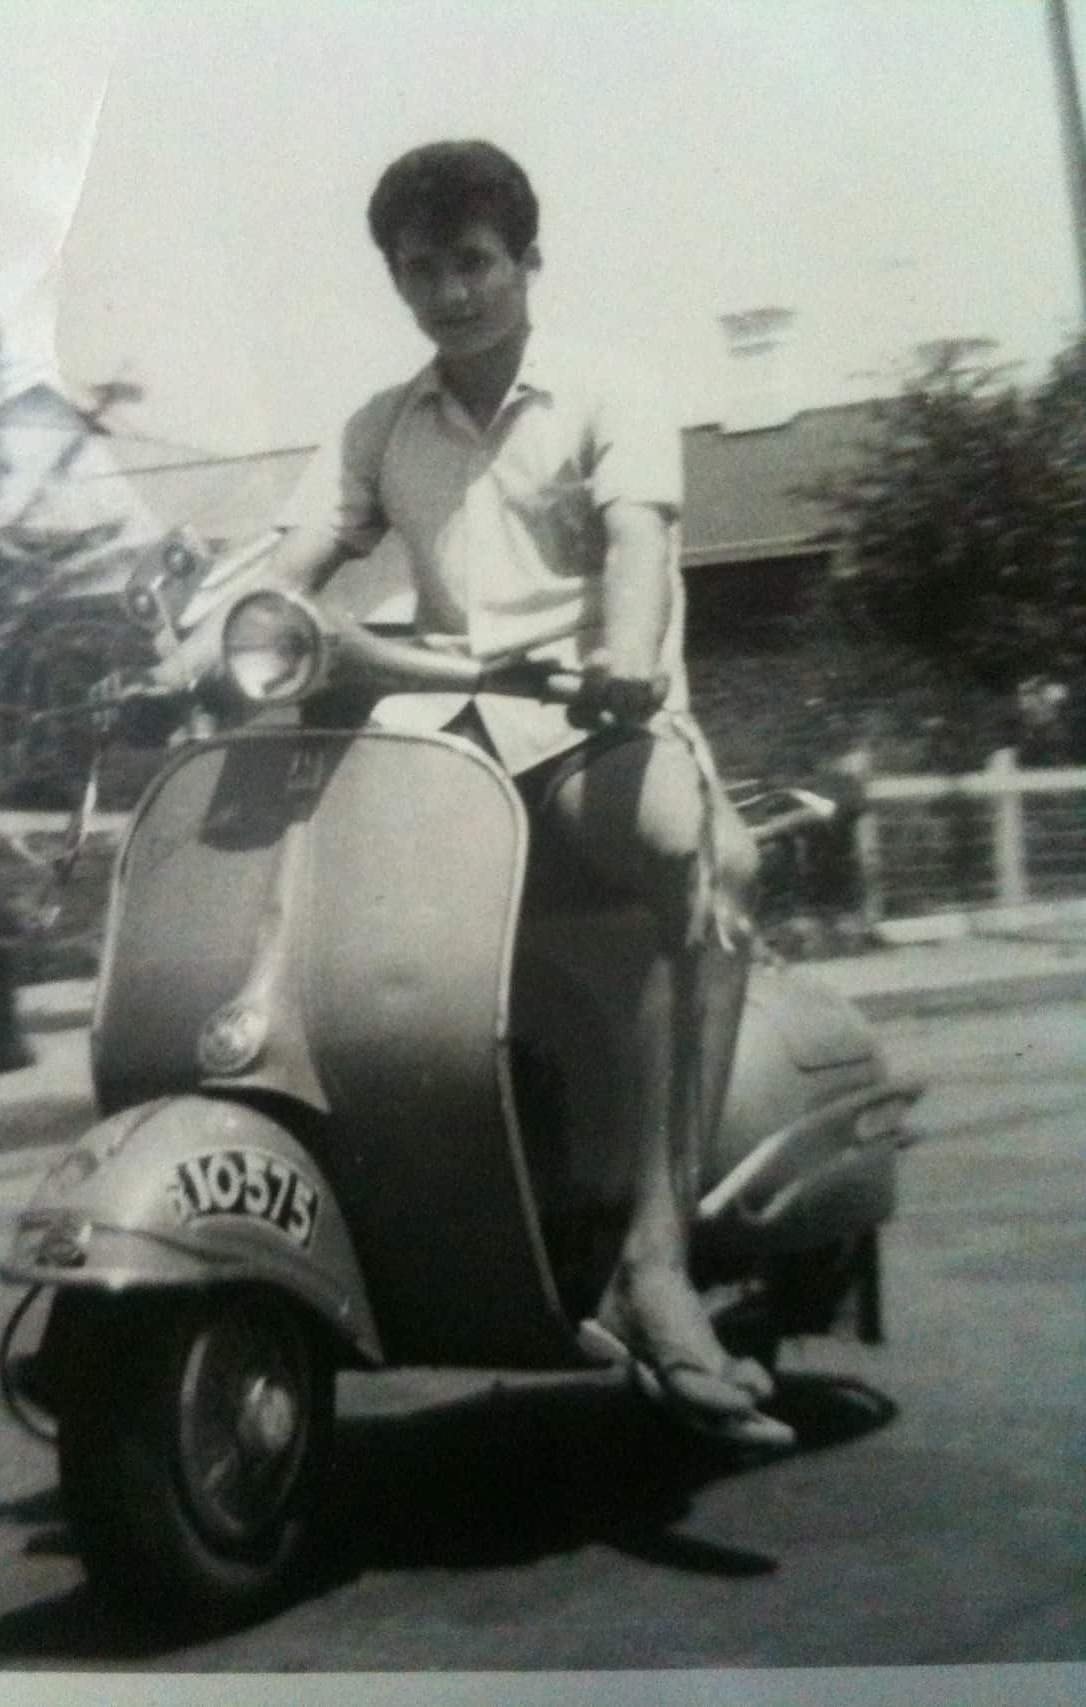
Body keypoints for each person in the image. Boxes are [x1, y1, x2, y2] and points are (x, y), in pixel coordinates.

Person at [266, 140, 793, 1448]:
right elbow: (287, 564)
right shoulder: (381, 428)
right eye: (422, 268)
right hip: (444, 745)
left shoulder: (611, 391)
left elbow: (641, 552)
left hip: (587, 731)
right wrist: (194, 642)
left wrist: (621, 656)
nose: (450, 291)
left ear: (527, 264)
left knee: (705, 862)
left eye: (473, 261)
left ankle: (657, 1259)